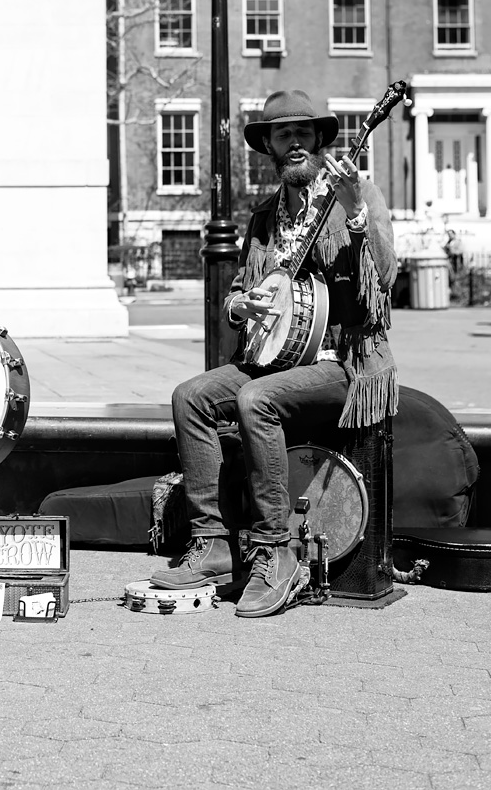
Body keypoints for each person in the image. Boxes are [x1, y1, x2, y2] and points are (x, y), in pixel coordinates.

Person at [151, 90, 397, 619]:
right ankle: (212, 544)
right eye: (282, 135)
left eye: (302, 133)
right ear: (269, 148)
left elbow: (384, 280)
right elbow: (240, 290)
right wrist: (241, 304)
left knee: (255, 399)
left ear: (318, 140)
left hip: (341, 361)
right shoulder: (265, 215)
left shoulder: (355, 195)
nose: (294, 143)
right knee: (189, 396)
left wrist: (356, 214)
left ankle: (275, 549)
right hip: (275, 357)